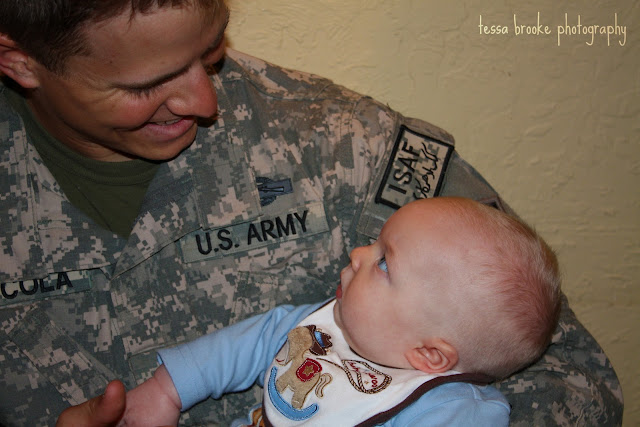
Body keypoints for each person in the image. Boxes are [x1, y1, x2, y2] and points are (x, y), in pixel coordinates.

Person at [0, 1, 622, 425]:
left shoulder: (348, 145)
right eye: (146, 85)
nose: (205, 101)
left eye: (212, 50)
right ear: (19, 59)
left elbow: (569, 375)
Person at [108, 197, 561, 426]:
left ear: (429, 354)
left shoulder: (453, 411)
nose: (358, 253)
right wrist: (167, 390)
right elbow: (252, 343)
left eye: (384, 262)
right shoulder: (328, 326)